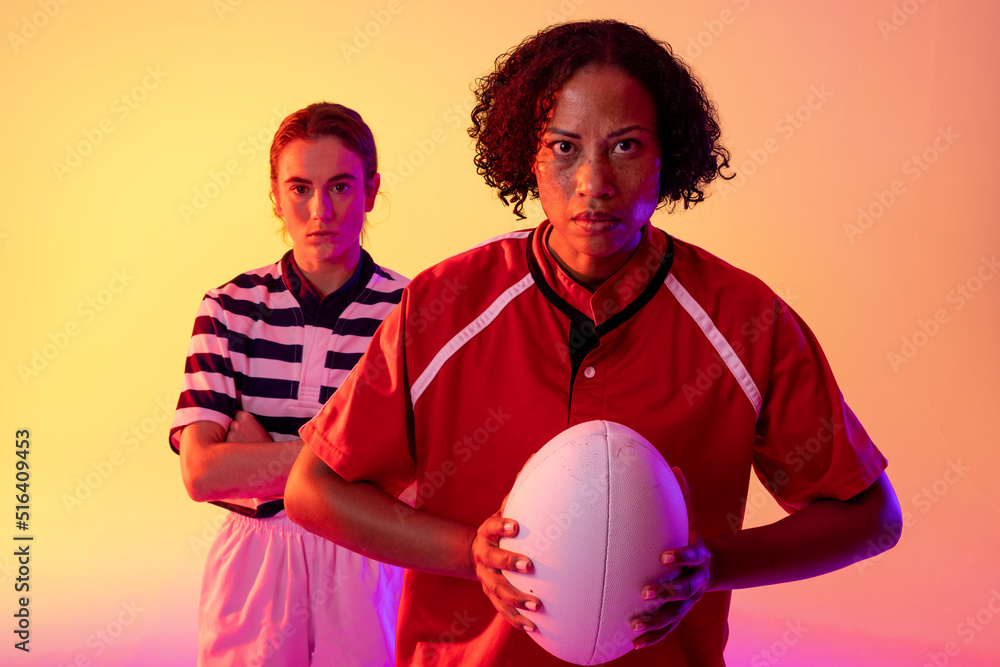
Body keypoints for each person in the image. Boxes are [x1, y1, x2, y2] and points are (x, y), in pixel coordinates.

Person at [285, 21, 902, 666]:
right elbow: (313, 489)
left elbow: (870, 516)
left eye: (626, 146)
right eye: (564, 147)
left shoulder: (745, 320)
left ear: (669, 153)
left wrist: (709, 567)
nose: (593, 181)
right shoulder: (446, 305)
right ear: (527, 154)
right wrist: (470, 551)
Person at [170, 102, 407, 666]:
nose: (319, 209)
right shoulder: (228, 308)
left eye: (340, 186)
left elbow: (419, 474)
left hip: (365, 553)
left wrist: (262, 455)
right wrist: (350, 463)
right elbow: (202, 473)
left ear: (371, 191)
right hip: (254, 561)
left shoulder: (411, 312)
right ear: (276, 196)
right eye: (299, 188)